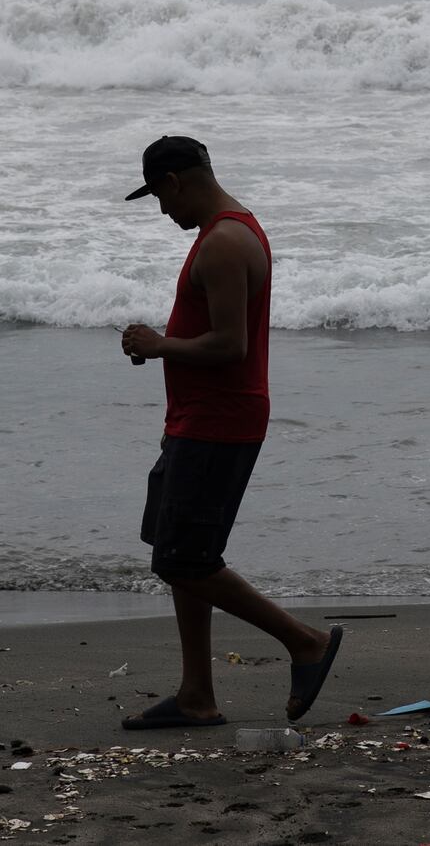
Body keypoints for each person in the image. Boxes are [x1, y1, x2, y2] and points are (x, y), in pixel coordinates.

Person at [116, 135, 342, 730]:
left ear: (174, 183)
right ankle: (196, 694)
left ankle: (306, 642)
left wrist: (160, 344)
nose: (164, 213)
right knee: (178, 552)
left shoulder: (224, 243)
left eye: (160, 200)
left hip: (219, 422)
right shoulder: (231, 231)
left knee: (184, 557)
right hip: (196, 418)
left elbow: (230, 345)